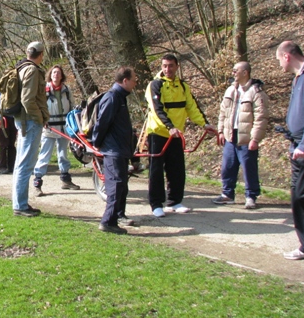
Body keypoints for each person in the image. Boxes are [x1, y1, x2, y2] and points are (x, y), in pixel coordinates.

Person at [145, 54, 216, 217]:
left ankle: (175, 201)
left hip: (176, 134)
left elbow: (191, 106)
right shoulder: (155, 85)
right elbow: (157, 109)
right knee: (156, 171)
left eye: (170, 66)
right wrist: (169, 127)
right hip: (157, 132)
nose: (167, 69)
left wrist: (204, 124)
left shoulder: (183, 86)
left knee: (177, 169)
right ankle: (156, 204)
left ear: (177, 67)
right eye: (164, 66)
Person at [275, 41, 304, 260]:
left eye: (279, 59)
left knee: (302, 194)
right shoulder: (298, 77)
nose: (279, 64)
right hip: (298, 144)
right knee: (300, 194)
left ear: (287, 56)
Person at [213, 62, 269, 209]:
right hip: (230, 135)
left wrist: (255, 138)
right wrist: (220, 131)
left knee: (249, 167)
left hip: (246, 137)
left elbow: (261, 117)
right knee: (228, 166)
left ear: (245, 72)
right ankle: (227, 194)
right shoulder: (230, 90)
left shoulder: (256, 92)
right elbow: (222, 113)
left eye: (235, 70)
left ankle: (250, 196)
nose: (233, 73)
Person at [92, 67, 138, 234]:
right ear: (124, 80)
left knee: (122, 184)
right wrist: (97, 143)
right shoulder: (112, 97)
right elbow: (102, 122)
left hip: (120, 149)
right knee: (116, 185)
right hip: (113, 150)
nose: (135, 83)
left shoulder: (121, 98)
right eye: (133, 80)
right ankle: (107, 221)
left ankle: (119, 215)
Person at [11, 41, 49, 217]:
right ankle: (20, 205)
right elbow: (28, 100)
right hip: (30, 122)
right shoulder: (32, 70)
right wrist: (39, 118)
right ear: (41, 54)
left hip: (23, 121)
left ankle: (20, 203)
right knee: (26, 165)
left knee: (21, 164)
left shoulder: (21, 67)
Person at [33, 65, 79, 196]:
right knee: (44, 155)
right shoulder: (44, 90)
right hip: (49, 127)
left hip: (64, 127)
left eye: (58, 73)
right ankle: (37, 182)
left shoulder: (66, 90)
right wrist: (42, 120)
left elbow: (72, 106)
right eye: (54, 73)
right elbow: (38, 105)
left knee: (63, 154)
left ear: (61, 75)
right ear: (50, 75)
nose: (56, 75)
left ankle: (66, 180)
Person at [0, 90, 17, 174]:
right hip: (4, 117)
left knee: (12, 142)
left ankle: (12, 166)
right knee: (4, 142)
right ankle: (2, 166)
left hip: (14, 117)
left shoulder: (17, 84)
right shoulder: (2, 86)